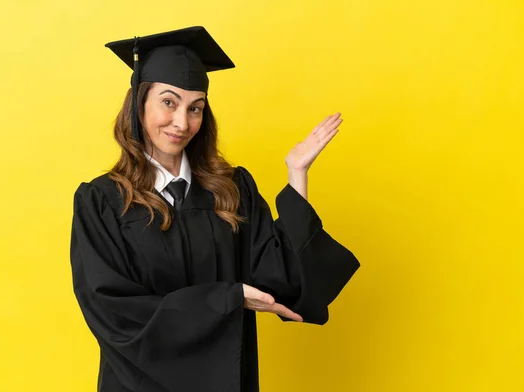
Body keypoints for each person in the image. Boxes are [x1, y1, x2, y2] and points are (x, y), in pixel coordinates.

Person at [70, 26, 360, 392]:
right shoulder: (102, 201)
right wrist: (227, 298)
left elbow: (279, 277)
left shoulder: (231, 189)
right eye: (169, 102)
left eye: (196, 108)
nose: (182, 123)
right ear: (139, 102)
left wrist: (297, 175)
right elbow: (112, 311)